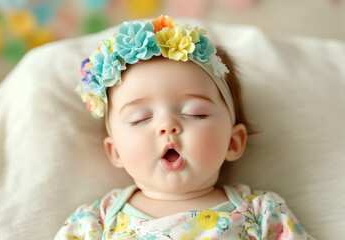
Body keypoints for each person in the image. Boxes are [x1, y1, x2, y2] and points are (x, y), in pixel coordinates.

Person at [55, 16, 313, 239]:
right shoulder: (96, 222)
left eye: (195, 113)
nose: (168, 126)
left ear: (233, 143)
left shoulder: (262, 214)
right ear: (116, 152)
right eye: (140, 119)